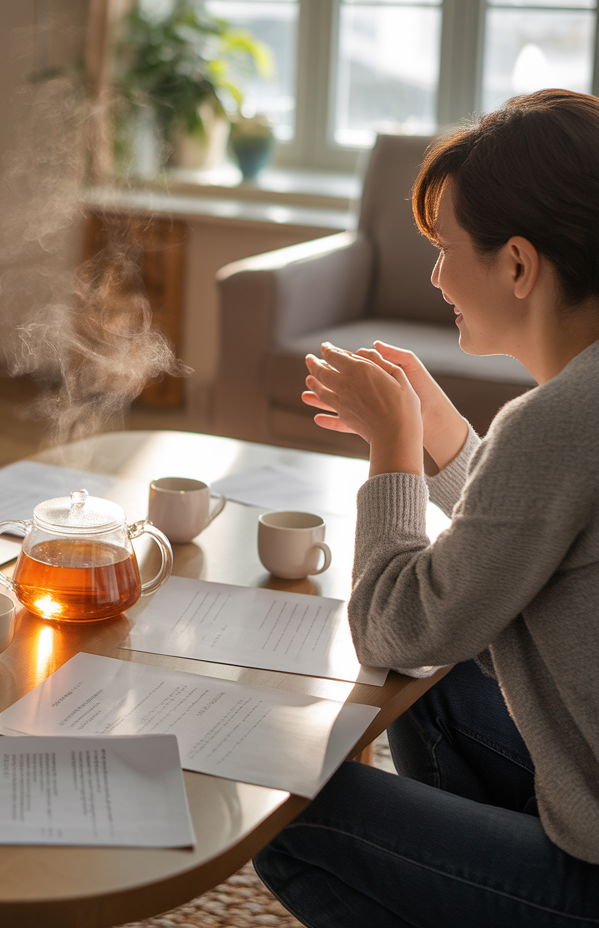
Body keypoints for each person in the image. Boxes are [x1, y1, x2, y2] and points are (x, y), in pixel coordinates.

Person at [252, 88, 599, 926]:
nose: (436, 275)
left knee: (272, 804)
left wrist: (393, 452)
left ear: (517, 264)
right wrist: (448, 441)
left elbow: (393, 624)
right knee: (435, 687)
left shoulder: (555, 422)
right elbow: (527, 542)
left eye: (445, 250)